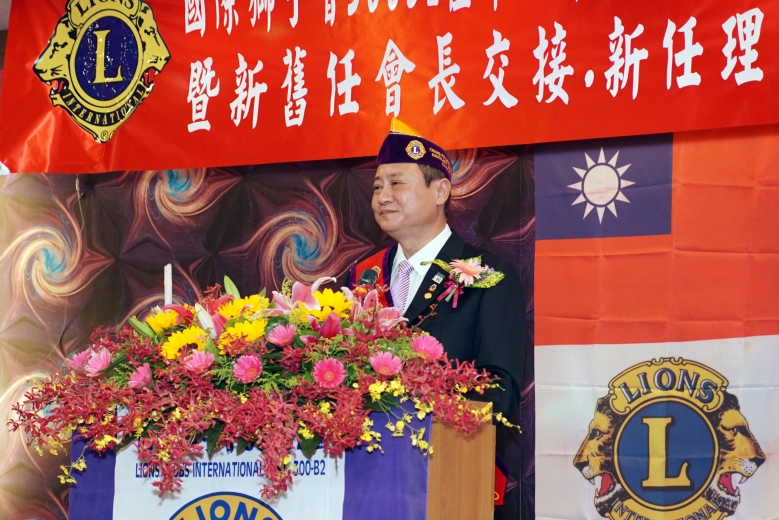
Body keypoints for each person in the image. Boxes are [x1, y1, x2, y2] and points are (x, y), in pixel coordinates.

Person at [345, 120, 525, 418]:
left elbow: (500, 392)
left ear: (441, 191)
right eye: (377, 187)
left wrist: (423, 411)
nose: (382, 197)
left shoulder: (489, 278)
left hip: (448, 443)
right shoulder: (362, 276)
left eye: (396, 183)